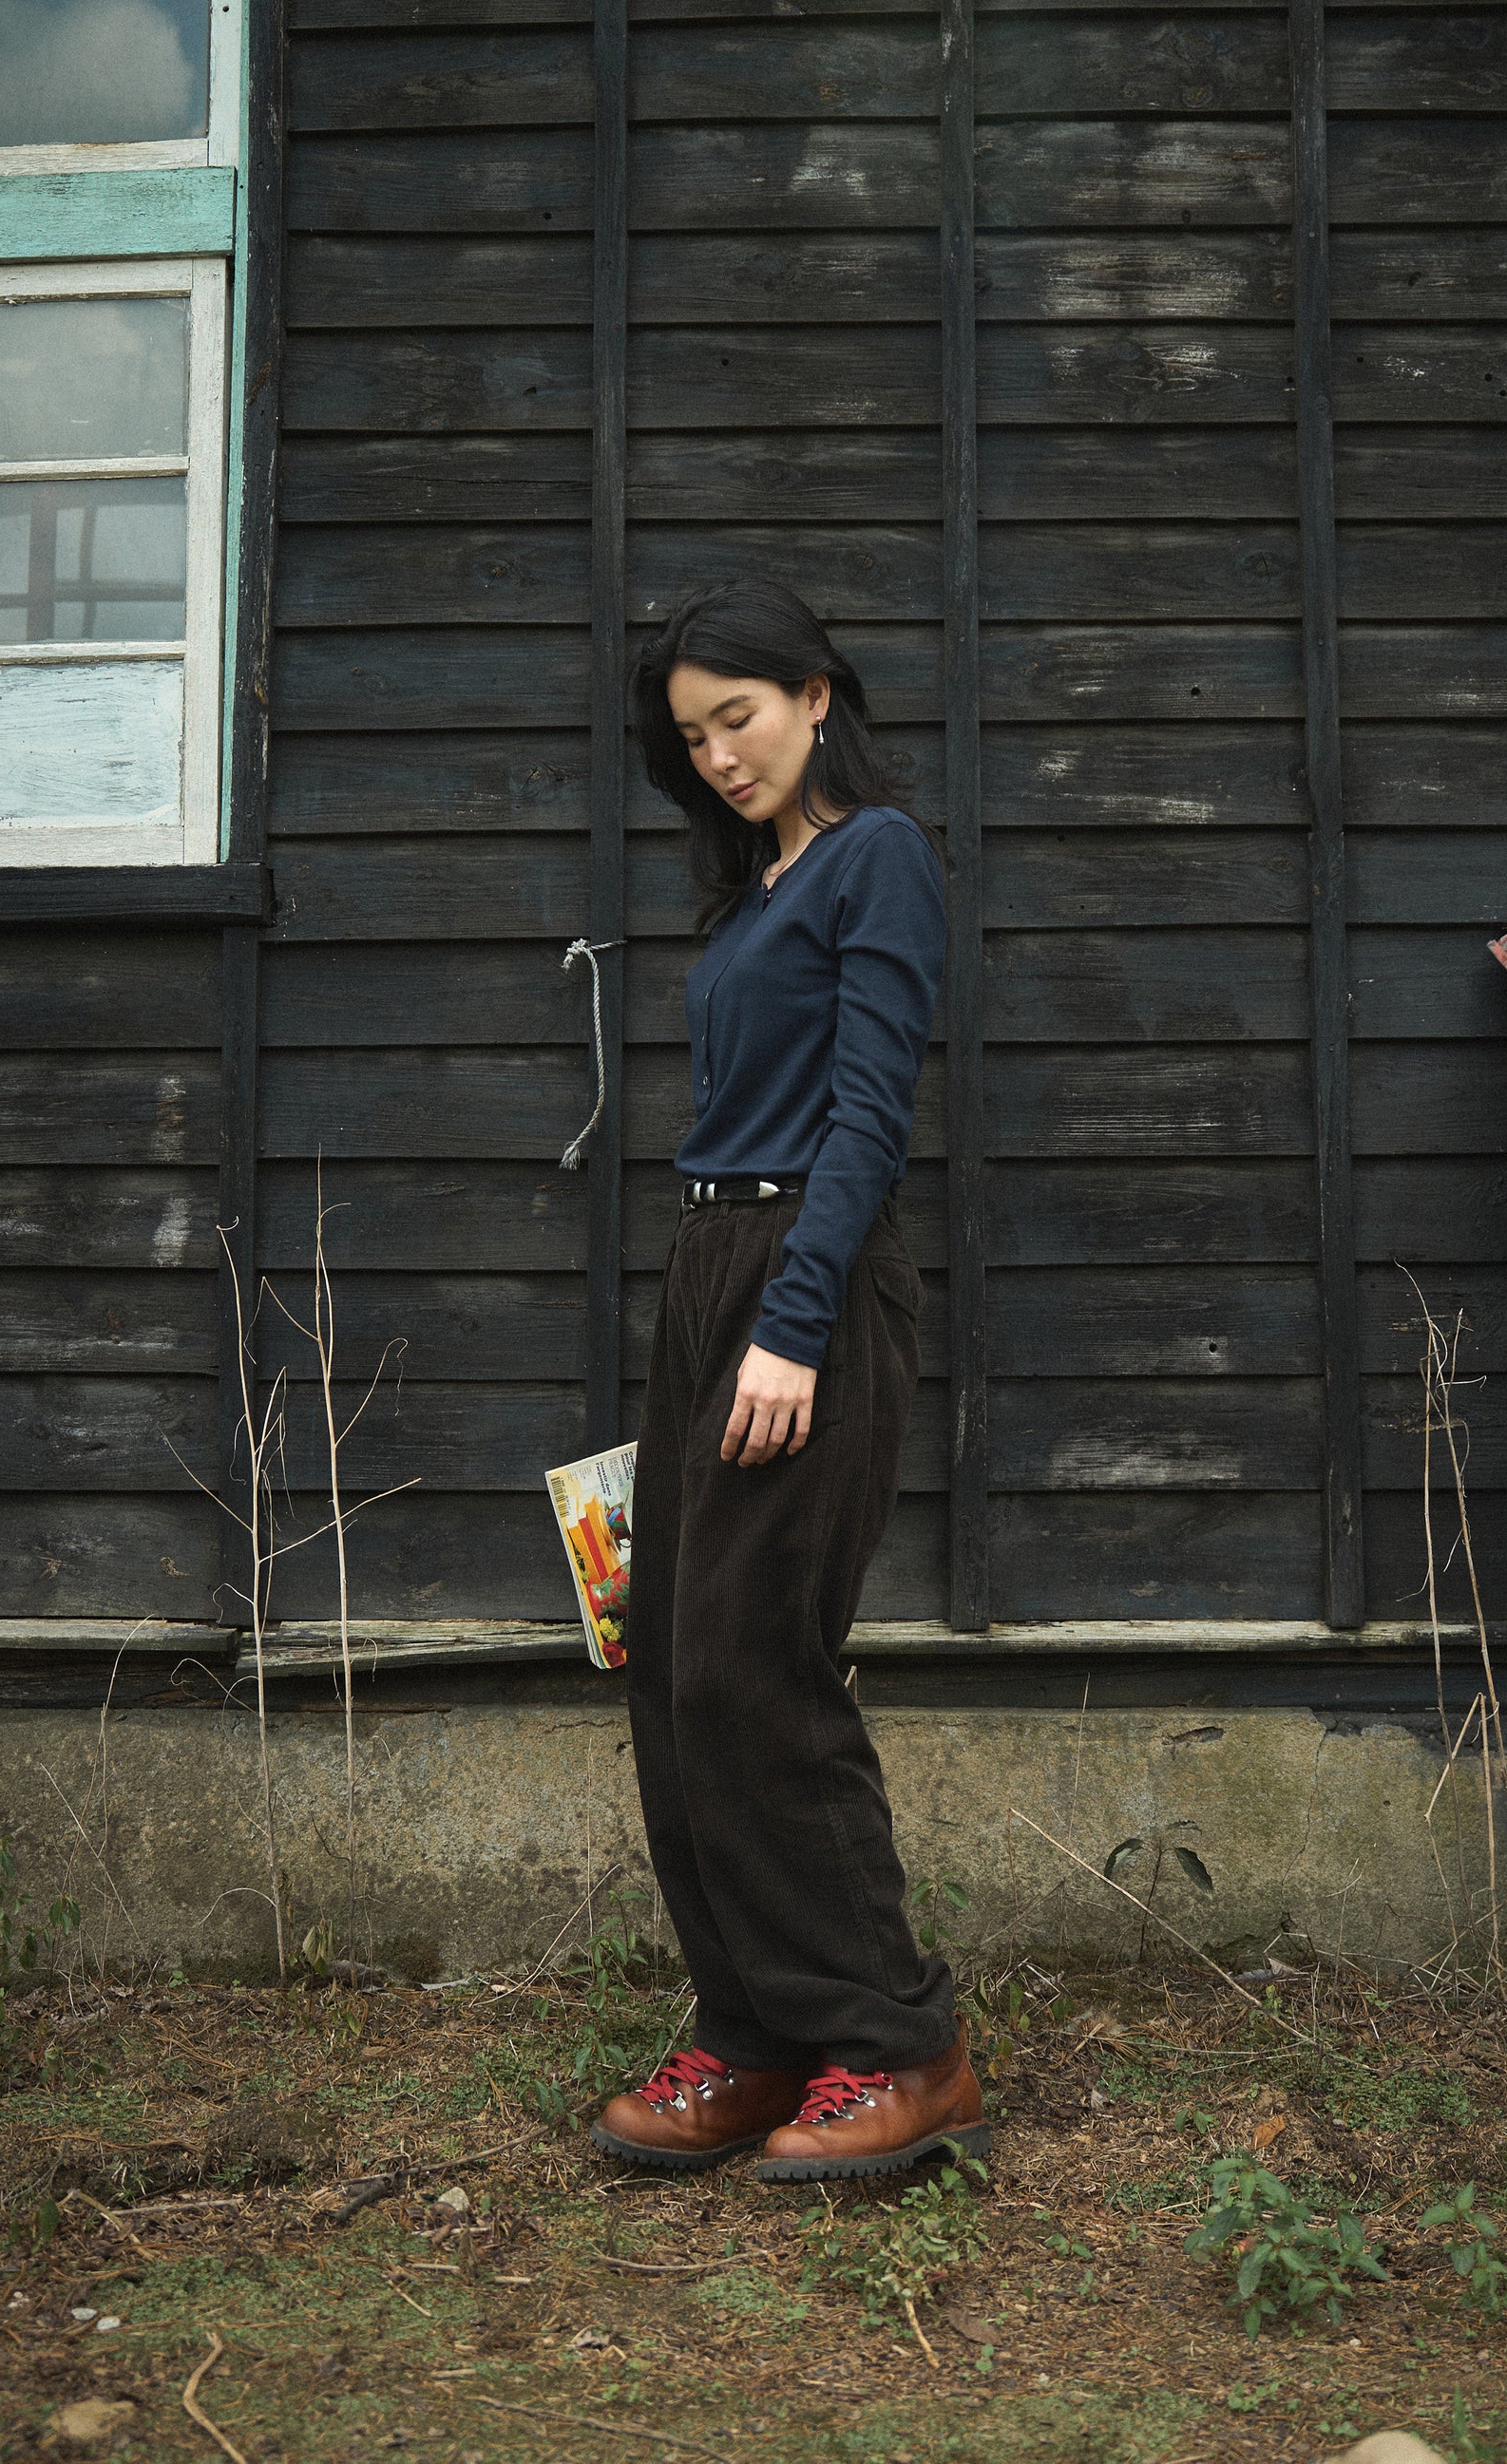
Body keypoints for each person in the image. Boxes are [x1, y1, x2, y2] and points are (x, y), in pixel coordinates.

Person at [588, 579, 987, 2183]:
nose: (717, 755)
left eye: (736, 716)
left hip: (800, 1273)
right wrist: (719, 1308)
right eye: (691, 736)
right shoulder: (752, 891)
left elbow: (867, 1114)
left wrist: (793, 1321)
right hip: (711, 1269)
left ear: (817, 694)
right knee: (675, 1666)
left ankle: (900, 2046)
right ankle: (756, 2033)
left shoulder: (877, 856)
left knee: (758, 1662)